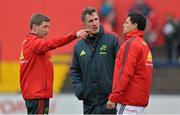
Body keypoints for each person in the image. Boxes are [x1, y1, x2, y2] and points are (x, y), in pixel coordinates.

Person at [19, 13, 89, 114]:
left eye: (49, 27)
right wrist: (74, 35)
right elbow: (52, 43)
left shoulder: (27, 42)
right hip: (38, 95)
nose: (47, 30)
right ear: (34, 27)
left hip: (33, 94)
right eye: (45, 27)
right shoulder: (36, 43)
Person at [70, 7, 123, 114]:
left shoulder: (112, 39)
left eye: (96, 19)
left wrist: (115, 92)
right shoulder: (78, 47)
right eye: (90, 21)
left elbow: (122, 66)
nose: (94, 23)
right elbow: (74, 70)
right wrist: (80, 91)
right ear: (84, 25)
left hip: (109, 101)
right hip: (89, 103)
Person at [107, 12, 153, 114]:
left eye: (126, 22)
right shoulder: (144, 45)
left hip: (129, 103)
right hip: (140, 103)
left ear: (134, 25)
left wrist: (114, 96)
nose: (123, 25)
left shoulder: (131, 44)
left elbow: (125, 73)